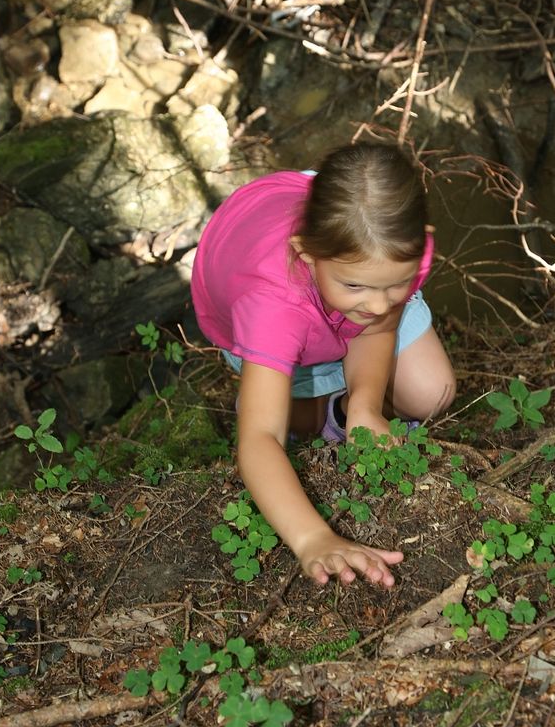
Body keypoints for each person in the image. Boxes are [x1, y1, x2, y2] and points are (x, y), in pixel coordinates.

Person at [191, 144, 456, 588]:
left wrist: (365, 406)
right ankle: (287, 401)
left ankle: (341, 408)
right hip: (263, 287)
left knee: (432, 392)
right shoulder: (272, 307)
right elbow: (259, 438)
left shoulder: (389, 249)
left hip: (343, 246)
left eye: (396, 285)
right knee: (274, 410)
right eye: (356, 285)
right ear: (308, 253)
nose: (379, 304)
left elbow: (375, 326)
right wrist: (313, 537)